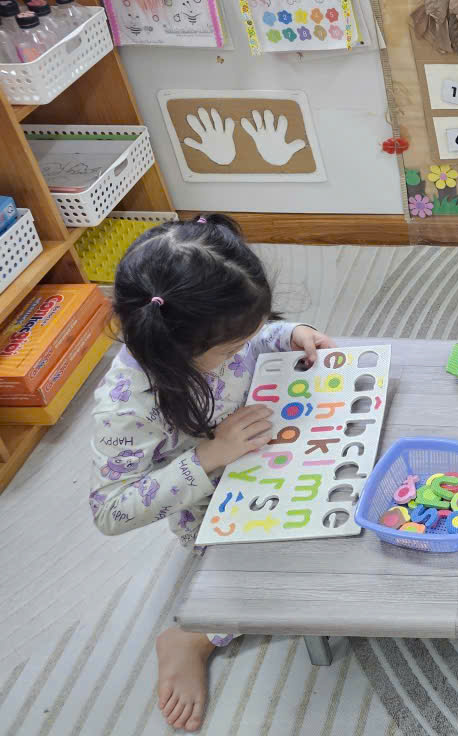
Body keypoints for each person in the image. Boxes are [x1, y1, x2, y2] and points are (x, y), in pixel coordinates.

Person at [89, 214, 335, 732]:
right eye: (229, 350)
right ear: (177, 348)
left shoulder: (209, 330)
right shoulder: (126, 404)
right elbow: (110, 510)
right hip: (212, 512)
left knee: (354, 503)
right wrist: (210, 454)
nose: (240, 352)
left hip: (265, 449)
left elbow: (250, 339)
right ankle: (193, 636)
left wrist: (288, 334)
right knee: (305, 581)